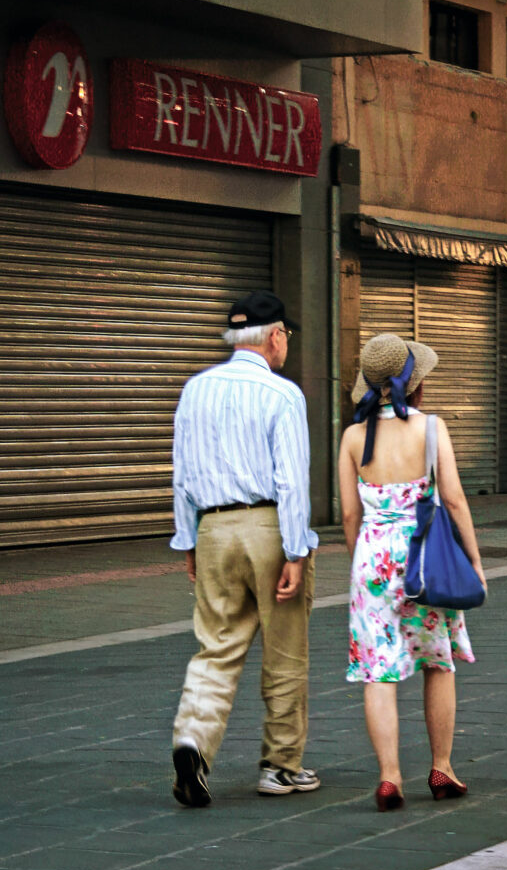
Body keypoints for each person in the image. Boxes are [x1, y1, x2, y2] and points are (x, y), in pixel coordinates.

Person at [169, 290, 319, 807]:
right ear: (275, 336)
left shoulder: (194, 389)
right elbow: (292, 481)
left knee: (216, 646)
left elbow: (182, 474)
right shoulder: (283, 394)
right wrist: (296, 551)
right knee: (284, 651)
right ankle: (280, 766)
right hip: (269, 526)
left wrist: (187, 538)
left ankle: (192, 741)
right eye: (287, 337)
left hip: (212, 527)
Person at [338, 332, 486, 812]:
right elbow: (456, 499)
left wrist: (360, 558)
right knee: (437, 663)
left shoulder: (353, 437)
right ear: (415, 384)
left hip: (372, 557)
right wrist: (476, 562)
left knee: (378, 671)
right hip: (427, 556)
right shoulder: (431, 428)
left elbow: (348, 516)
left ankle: (389, 777)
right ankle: (441, 767)